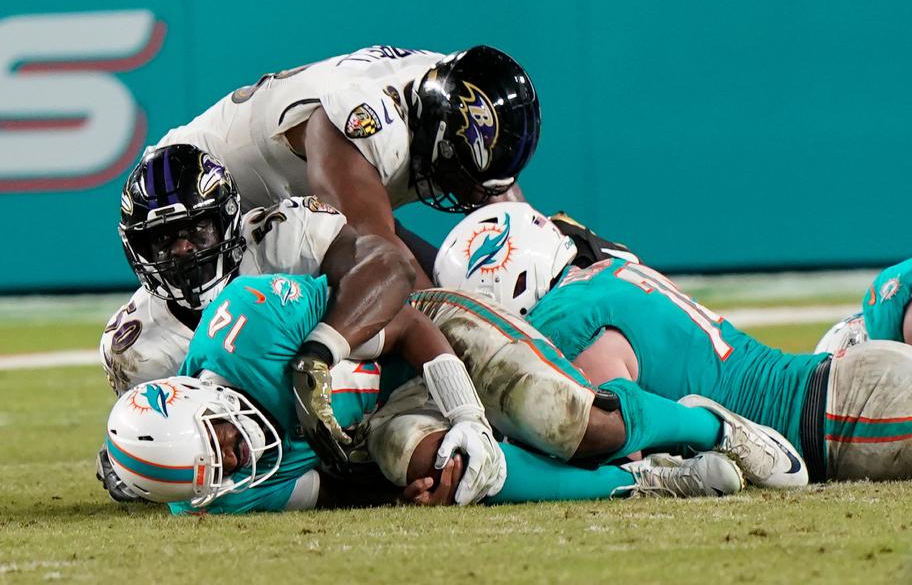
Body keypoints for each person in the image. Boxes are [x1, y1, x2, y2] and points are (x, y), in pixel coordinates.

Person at [106, 272, 799, 514]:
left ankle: (712, 428)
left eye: (223, 442)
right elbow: (339, 486)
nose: (241, 457)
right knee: (453, 473)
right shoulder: (223, 492)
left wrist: (466, 411)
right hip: (383, 415)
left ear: (201, 399)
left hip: (428, 337)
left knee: (572, 424)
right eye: (222, 471)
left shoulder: (252, 328)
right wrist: (431, 467)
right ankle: (644, 481)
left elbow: (401, 317)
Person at [98, 145, 505, 504]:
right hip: (361, 439)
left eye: (195, 230)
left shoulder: (284, 236)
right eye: (163, 239)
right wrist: (135, 462)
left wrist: (320, 350)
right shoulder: (135, 348)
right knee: (444, 467)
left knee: (546, 407)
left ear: (227, 220)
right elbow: (179, 446)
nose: (182, 251)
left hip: (414, 344)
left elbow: (391, 274)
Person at [436, 202, 912, 482]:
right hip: (844, 386)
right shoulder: (610, 272)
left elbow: (620, 443)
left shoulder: (566, 319)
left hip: (836, 416)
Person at [146, 45, 541, 285]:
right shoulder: (361, 123)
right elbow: (382, 265)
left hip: (305, 197)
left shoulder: (447, 90)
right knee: (382, 305)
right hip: (193, 202)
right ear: (438, 140)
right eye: (461, 177)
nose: (470, 194)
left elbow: (512, 223)